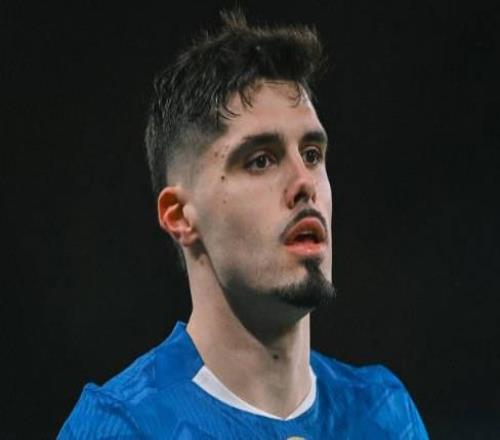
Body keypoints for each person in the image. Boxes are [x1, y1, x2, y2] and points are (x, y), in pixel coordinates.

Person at [58, 10, 428, 439]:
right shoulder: (123, 426)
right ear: (179, 216)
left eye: (311, 154)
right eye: (261, 160)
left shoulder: (384, 412)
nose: (304, 183)